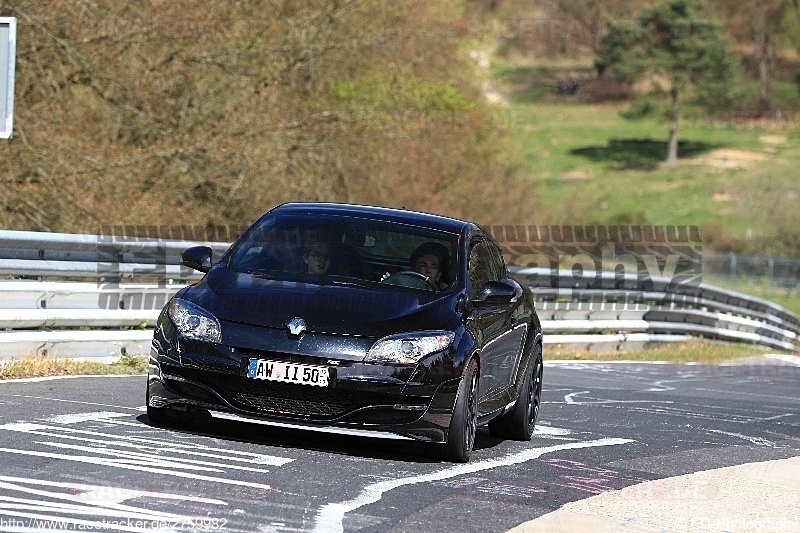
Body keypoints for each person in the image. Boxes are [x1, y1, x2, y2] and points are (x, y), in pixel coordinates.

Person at [382, 242, 450, 290]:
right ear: (413, 270)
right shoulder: (401, 288)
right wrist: (389, 283)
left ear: (438, 275)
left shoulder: (444, 298)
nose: (429, 270)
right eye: (423, 265)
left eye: (434, 267)